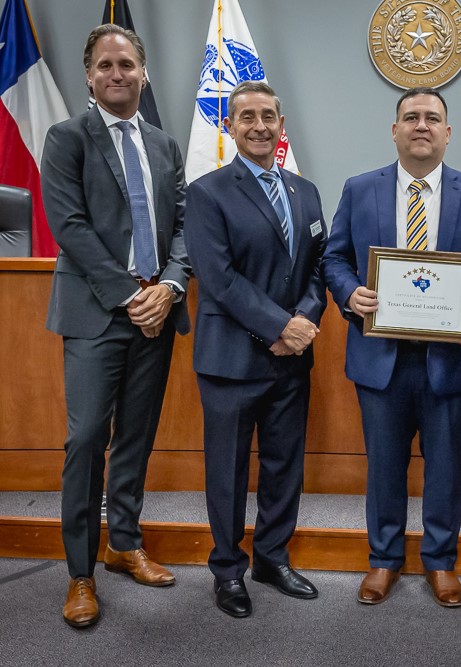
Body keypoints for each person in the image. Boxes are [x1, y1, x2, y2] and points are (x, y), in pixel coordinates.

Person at [322, 87, 461, 608]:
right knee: (384, 464)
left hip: (448, 359)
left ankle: (440, 561)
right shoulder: (360, 190)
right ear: (395, 130)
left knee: (446, 465)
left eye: (432, 118)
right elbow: (333, 259)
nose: (421, 125)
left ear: (447, 132)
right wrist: (348, 292)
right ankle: (383, 560)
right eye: (411, 117)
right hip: (380, 359)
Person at [41, 24, 190, 629]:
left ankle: (123, 542)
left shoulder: (164, 144)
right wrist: (134, 296)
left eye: (126, 64)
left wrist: (171, 286)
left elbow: (183, 225)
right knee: (85, 441)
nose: (116, 74)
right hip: (98, 313)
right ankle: (80, 574)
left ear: (143, 72)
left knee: (136, 435)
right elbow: (69, 227)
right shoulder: (66, 138)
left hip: (156, 313)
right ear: (89, 75)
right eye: (105, 65)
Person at [184, 81, 327, 618]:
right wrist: (278, 326)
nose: (260, 126)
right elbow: (218, 278)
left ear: (281, 123)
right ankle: (227, 570)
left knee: (284, 463)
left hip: (292, 357)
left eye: (269, 116)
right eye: (248, 117)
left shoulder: (305, 191)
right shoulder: (207, 192)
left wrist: (305, 320)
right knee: (227, 470)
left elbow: (317, 264)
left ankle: (272, 557)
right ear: (230, 126)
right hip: (232, 360)